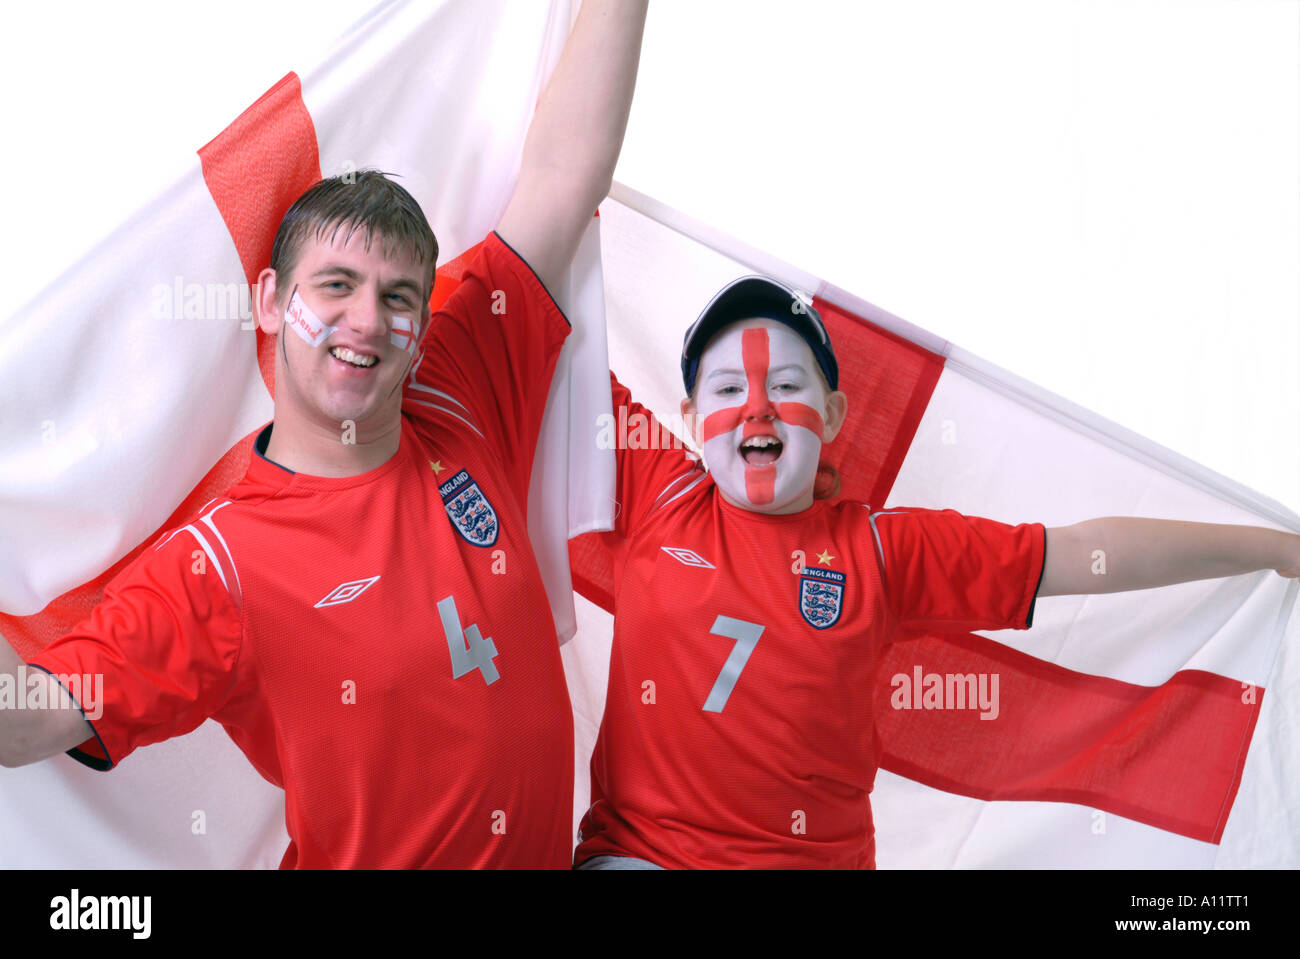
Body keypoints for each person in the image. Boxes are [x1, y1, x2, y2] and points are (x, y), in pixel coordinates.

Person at [0, 0, 649, 869]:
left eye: (396, 296)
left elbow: (566, 172)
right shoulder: (216, 568)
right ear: (269, 300)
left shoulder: (464, 392)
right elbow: (29, 715)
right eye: (335, 284)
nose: (366, 321)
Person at [572, 275, 1300, 869]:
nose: (756, 405)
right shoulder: (656, 489)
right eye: (727, 390)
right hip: (643, 859)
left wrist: (1269, 547)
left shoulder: (883, 551)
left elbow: (1081, 554)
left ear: (831, 414)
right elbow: (550, 322)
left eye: (784, 384)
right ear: (689, 414)